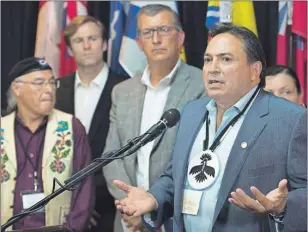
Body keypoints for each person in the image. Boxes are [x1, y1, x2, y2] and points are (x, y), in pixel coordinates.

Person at [113, 23, 307, 232]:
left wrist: (283, 207)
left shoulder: (291, 119)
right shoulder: (191, 112)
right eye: (208, 59)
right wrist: (154, 197)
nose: (213, 68)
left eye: (225, 59)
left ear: (255, 71)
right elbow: (174, 176)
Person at [102, 4, 205, 232]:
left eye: (164, 30)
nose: (156, 39)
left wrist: (152, 208)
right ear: (138, 42)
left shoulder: (203, 85)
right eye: (148, 32)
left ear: (180, 38)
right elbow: (111, 157)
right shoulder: (122, 92)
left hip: (176, 219)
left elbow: (197, 159)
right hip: (128, 222)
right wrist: (132, 207)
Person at [1, 57, 93, 232]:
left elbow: (84, 188)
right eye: (39, 83)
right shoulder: (2, 129)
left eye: (52, 83)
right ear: (17, 88)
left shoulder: (71, 126)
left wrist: (72, 230)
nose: (49, 89)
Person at [55, 15, 127, 232]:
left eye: (93, 39)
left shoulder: (125, 89)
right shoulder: (56, 90)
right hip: (63, 207)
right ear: (69, 49)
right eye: (78, 41)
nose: (86, 46)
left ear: (105, 44)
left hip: (109, 208)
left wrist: (87, 203)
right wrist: (75, 204)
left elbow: (125, 152)